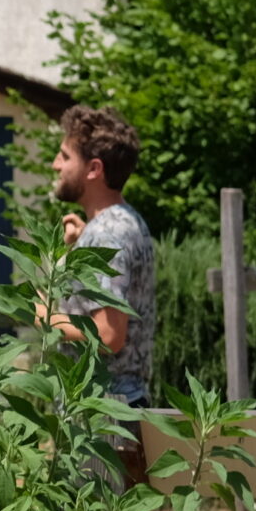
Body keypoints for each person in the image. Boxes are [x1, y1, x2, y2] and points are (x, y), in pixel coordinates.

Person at [48, 104, 154, 404]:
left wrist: (45, 317)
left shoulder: (107, 234)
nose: (56, 165)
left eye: (65, 157)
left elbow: (109, 335)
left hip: (105, 412)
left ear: (94, 169)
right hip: (115, 404)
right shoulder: (119, 222)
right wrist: (80, 246)